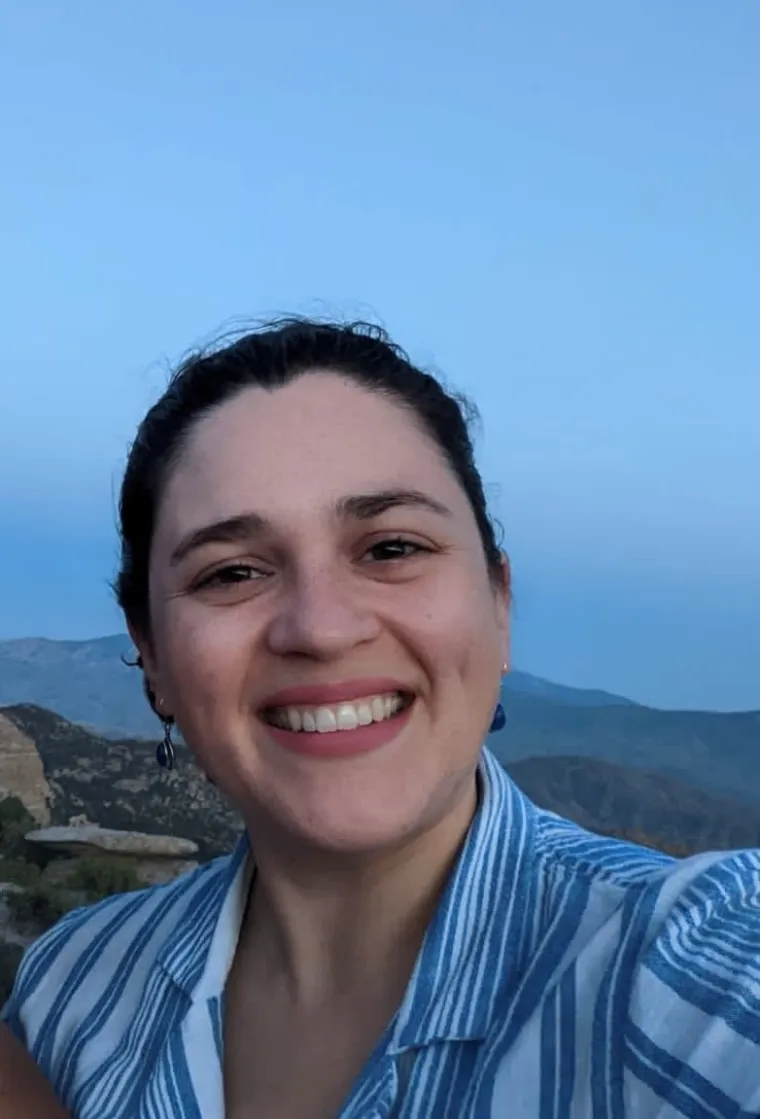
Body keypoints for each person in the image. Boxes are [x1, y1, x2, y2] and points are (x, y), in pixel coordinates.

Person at [2, 317, 759, 1118]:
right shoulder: (71, 991)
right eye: (233, 571)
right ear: (151, 657)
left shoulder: (686, 969)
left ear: (498, 605)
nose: (323, 627)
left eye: (391, 548)